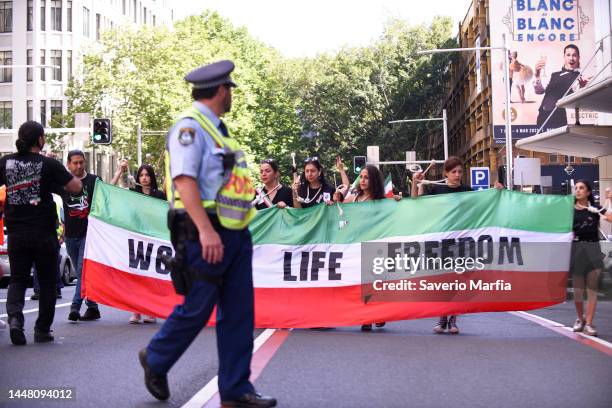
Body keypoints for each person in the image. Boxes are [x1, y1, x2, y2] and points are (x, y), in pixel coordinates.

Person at [138, 60, 276, 407]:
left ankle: (236, 389)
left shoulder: (219, 128)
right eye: (229, 89)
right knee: (199, 306)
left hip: (233, 230)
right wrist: (205, 231)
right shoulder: (190, 128)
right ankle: (155, 358)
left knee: (239, 311)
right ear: (220, 90)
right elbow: (184, 181)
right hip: (205, 230)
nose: (231, 95)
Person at [0, 121, 81, 345]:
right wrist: (56, 183)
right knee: (46, 282)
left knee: (17, 279)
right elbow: (76, 187)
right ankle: (42, 329)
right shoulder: (48, 164)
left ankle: (16, 320)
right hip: (44, 234)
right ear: (40, 140)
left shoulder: (5, 162)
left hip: (16, 234)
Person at [412, 156, 473, 334]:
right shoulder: (437, 189)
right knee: (443, 280)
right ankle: (442, 316)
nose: (457, 175)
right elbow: (416, 203)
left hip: (461, 240)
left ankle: (452, 318)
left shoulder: (468, 191)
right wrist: (415, 183)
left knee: (457, 280)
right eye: (453, 171)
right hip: (442, 241)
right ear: (446, 173)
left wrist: (498, 190)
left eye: (460, 171)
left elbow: (487, 200)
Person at [113, 163, 166, 324]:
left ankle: (150, 311)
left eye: (147, 175)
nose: (144, 178)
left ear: (152, 177)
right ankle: (136, 311)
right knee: (136, 275)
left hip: (154, 241)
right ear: (138, 178)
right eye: (141, 175)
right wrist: (119, 171)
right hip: (135, 239)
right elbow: (111, 190)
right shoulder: (133, 193)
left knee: (151, 276)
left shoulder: (160, 196)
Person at [60, 150, 102, 322]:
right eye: (75, 163)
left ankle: (75, 307)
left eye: (81, 162)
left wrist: (119, 173)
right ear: (69, 164)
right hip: (70, 235)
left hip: (89, 234)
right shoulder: (63, 182)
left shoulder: (94, 180)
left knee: (83, 272)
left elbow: (108, 194)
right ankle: (93, 307)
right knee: (82, 273)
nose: (79, 166)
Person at [570, 180, 612, 336]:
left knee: (592, 289)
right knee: (578, 290)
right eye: (576, 188)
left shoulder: (595, 209)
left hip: (593, 249)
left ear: (588, 192)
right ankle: (579, 319)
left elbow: (611, 217)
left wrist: (610, 200)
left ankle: (589, 323)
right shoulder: (569, 210)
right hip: (577, 249)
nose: (578, 191)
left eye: (582, 188)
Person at [533, 44, 588, 130]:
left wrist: (582, 88)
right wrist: (537, 76)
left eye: (574, 55)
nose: (571, 58)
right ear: (564, 57)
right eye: (568, 55)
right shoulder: (554, 74)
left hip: (559, 119)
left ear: (578, 58)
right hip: (542, 116)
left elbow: (578, 98)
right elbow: (539, 91)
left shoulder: (580, 77)